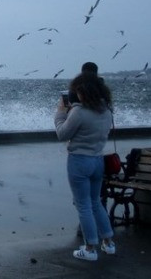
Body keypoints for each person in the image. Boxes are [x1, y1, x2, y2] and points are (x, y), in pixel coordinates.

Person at [54, 73, 116, 261]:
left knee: (83, 205)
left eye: (78, 91)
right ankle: (109, 243)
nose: (76, 95)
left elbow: (62, 134)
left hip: (79, 161)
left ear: (85, 93)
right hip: (98, 160)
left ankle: (89, 248)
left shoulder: (78, 112)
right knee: (96, 202)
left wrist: (60, 113)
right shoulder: (107, 111)